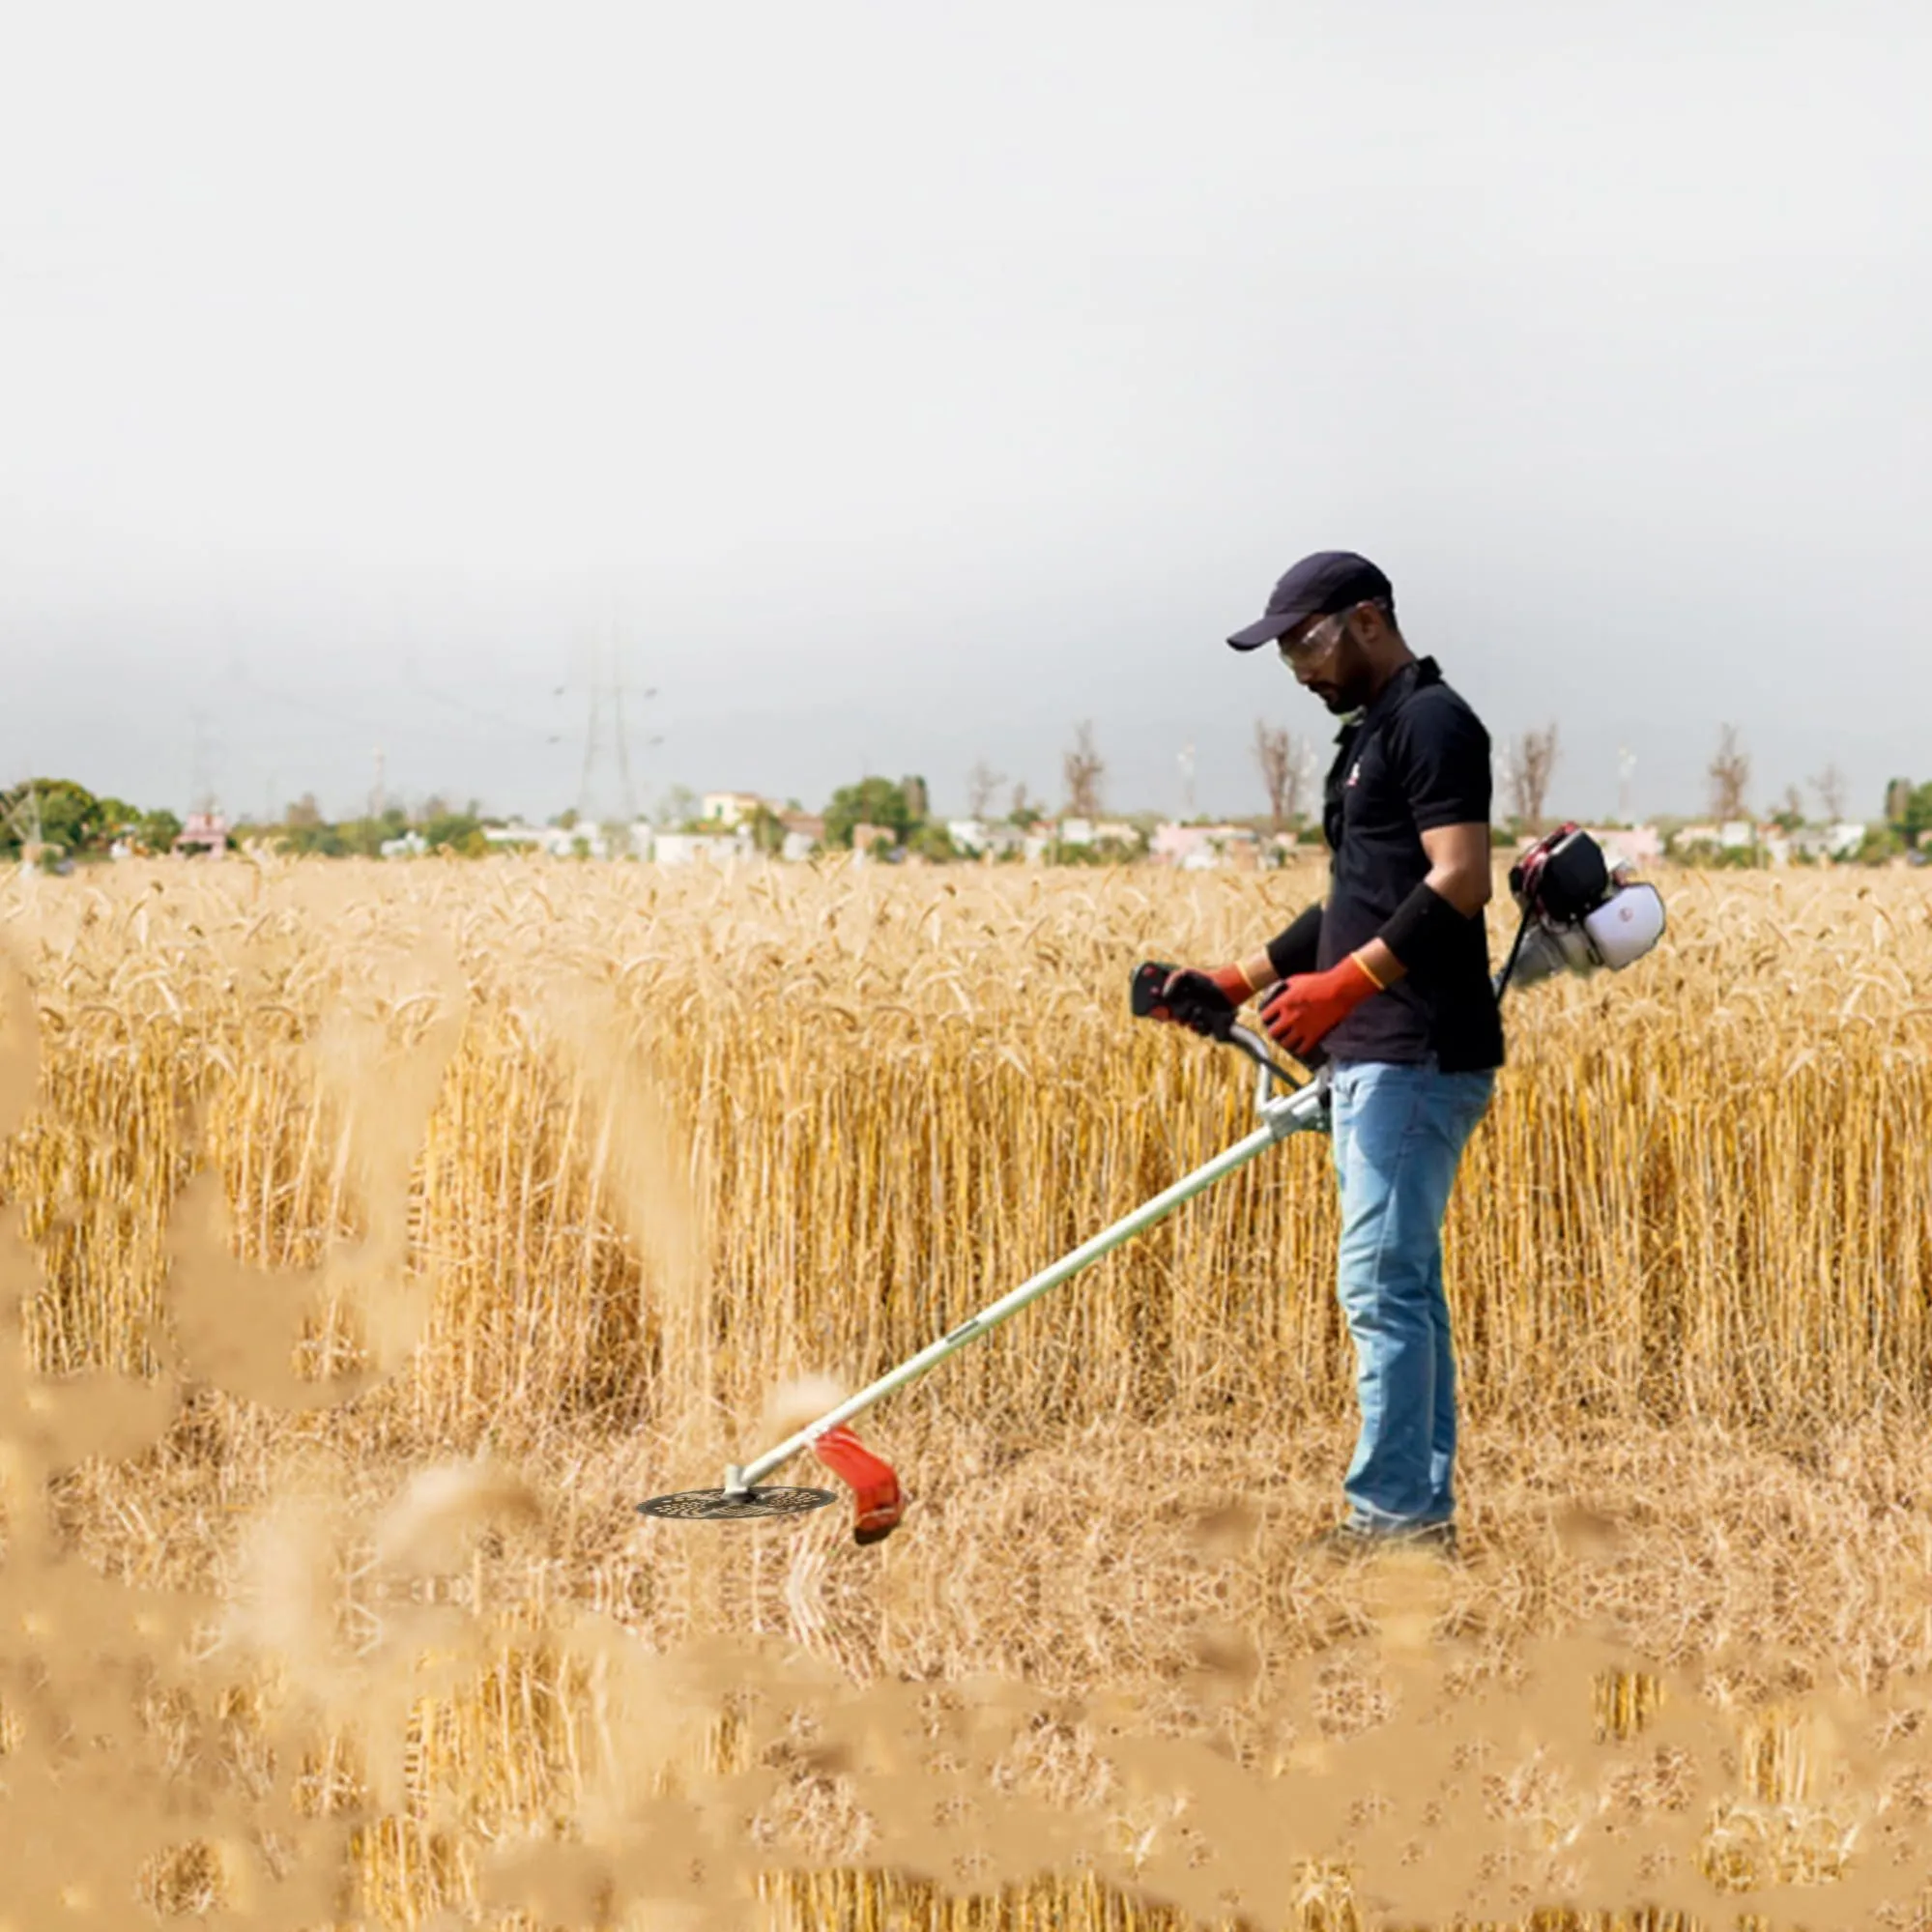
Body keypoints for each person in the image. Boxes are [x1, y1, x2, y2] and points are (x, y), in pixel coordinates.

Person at [1159, 551, 1502, 1556]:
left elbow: (1460, 879)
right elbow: (1357, 901)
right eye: (1284, 654)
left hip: (1417, 1049)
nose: (1297, 668)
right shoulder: (1371, 738)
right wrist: (1235, 979)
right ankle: (1415, 1511)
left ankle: (1393, 1521)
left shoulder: (1434, 722)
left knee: (1380, 1285)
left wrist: (1345, 987)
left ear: (1366, 618)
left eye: (1305, 642)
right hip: (1374, 1054)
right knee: (1403, 1286)